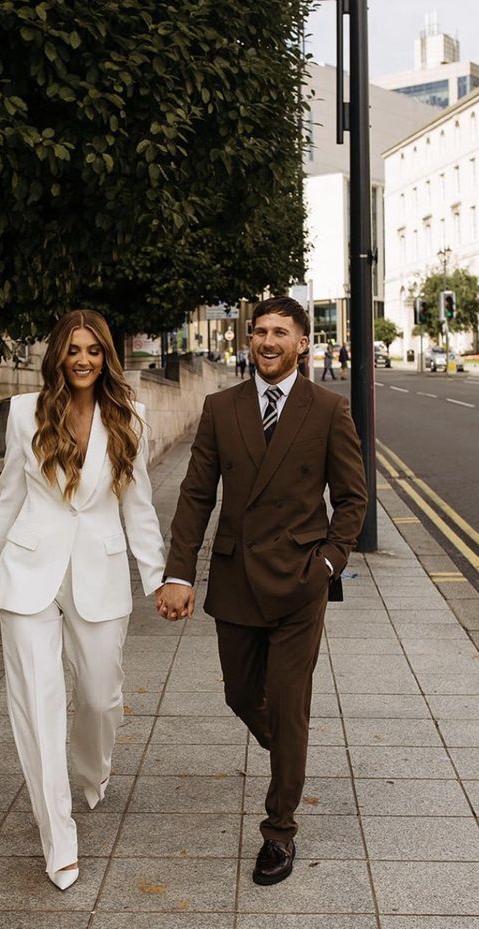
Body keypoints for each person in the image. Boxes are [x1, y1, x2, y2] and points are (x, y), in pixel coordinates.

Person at [155, 296, 367, 886]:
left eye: (280, 332)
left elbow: (352, 499)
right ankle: (291, 755)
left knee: (289, 700)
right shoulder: (221, 408)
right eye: (258, 332)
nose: (267, 341)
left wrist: (329, 564)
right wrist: (178, 573)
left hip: (302, 584)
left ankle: (280, 830)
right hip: (236, 578)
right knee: (241, 694)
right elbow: (197, 496)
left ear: (303, 342)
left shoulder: (328, 409)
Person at [0, 310, 166, 891]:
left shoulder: (131, 417)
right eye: (73, 349)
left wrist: (158, 578)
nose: (82, 359)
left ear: (106, 357)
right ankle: (59, 839)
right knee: (38, 708)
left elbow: (139, 507)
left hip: (98, 574)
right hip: (27, 573)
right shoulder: (25, 413)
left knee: (102, 698)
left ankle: (92, 769)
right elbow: (9, 498)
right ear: (57, 355)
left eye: (93, 350)